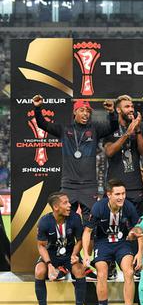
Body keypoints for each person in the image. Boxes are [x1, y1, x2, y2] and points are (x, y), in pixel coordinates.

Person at [33, 95, 117, 223]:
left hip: (89, 186)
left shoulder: (95, 129)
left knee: (91, 223)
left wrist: (111, 112)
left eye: (88, 111)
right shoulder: (64, 129)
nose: (86, 114)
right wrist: (38, 108)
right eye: (82, 110)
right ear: (74, 112)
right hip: (69, 186)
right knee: (66, 223)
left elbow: (113, 127)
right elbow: (42, 124)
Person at [82, 179, 142, 305]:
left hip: (122, 243)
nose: (121, 197)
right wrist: (86, 254)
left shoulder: (129, 207)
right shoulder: (98, 207)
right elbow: (87, 232)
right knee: (102, 273)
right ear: (109, 194)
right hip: (103, 243)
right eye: (117, 194)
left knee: (129, 272)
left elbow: (139, 231)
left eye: (123, 193)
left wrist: (140, 253)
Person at [34, 192, 87, 305]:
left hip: (69, 254)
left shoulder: (75, 218)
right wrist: (49, 264)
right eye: (65, 203)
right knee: (39, 271)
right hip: (51, 255)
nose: (69, 205)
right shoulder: (45, 221)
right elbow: (41, 246)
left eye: (69, 202)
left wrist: (75, 254)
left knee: (80, 271)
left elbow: (80, 240)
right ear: (56, 207)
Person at [104, 95, 143, 213]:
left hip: (135, 186)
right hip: (115, 186)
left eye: (132, 106)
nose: (131, 109)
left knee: (136, 222)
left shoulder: (137, 128)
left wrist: (137, 130)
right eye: (127, 107)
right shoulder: (110, 128)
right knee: (114, 220)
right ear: (118, 110)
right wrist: (127, 133)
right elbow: (109, 152)